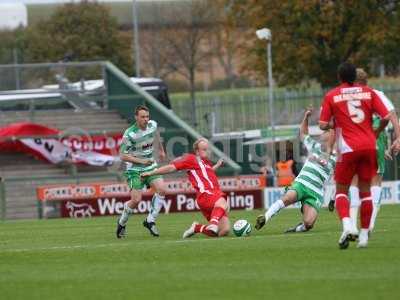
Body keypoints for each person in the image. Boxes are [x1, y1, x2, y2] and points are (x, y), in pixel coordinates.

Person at [319, 62, 400, 249]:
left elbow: (323, 125)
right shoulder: (369, 93)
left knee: (341, 190)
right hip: (369, 145)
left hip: (347, 147)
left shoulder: (332, 95)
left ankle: (348, 226)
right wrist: (376, 132)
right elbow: (387, 117)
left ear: (339, 77)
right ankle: (364, 236)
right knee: (366, 191)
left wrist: (337, 124)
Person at [255, 107, 336, 233]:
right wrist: (306, 117)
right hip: (302, 184)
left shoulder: (337, 158)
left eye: (327, 133)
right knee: (287, 198)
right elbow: (303, 134)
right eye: (325, 132)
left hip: (316, 192)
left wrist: (332, 199)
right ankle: (265, 217)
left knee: (309, 223)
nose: (323, 134)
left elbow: (339, 180)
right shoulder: (315, 147)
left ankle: (297, 228)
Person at [141, 138, 230, 238]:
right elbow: (171, 167)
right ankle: (213, 224)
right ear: (197, 151)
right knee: (223, 203)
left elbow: (206, 174)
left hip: (213, 196)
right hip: (206, 195)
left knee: (224, 230)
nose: (207, 151)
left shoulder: (206, 164)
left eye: (208, 149)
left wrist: (217, 165)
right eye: (204, 149)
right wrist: (151, 173)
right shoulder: (191, 159)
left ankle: (197, 228)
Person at [348, 68, 396, 234]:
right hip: (375, 139)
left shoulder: (347, 96)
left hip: (355, 140)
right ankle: (369, 226)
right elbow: (390, 115)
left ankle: (352, 226)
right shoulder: (376, 94)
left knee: (354, 181)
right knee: (375, 182)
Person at [116, 105, 167, 238]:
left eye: (147, 116)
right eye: (143, 117)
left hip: (150, 166)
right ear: (136, 117)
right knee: (136, 200)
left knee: (162, 189)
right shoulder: (130, 133)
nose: (146, 119)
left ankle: (150, 220)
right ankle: (121, 223)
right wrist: (141, 161)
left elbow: (156, 134)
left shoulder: (152, 125)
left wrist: (161, 149)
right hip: (134, 169)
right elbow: (122, 155)